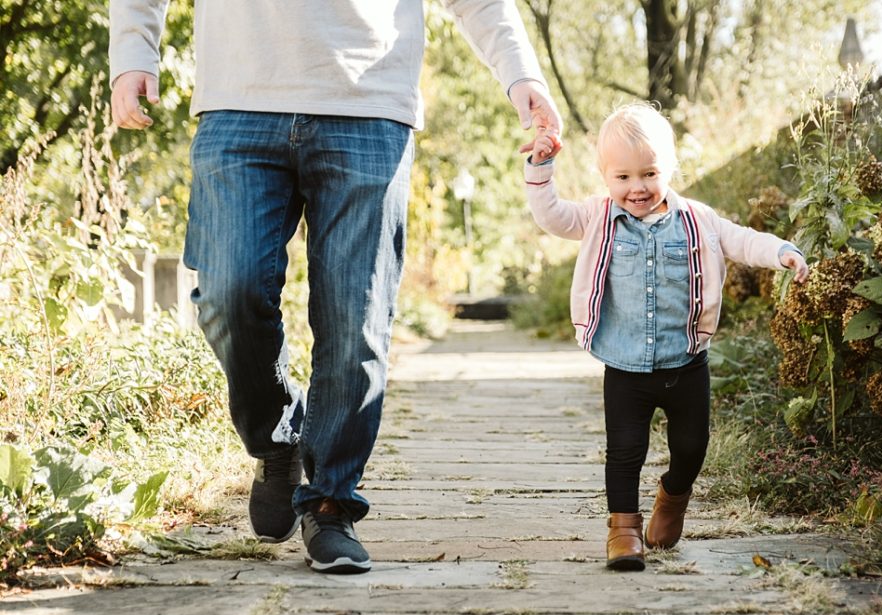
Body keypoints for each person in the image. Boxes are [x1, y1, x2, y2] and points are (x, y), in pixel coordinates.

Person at [109, 0, 562, 576]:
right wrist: (131, 53)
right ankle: (279, 442)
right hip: (238, 98)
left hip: (368, 105)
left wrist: (520, 74)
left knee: (357, 319)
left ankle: (330, 503)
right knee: (229, 292)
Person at [524, 103, 809, 571]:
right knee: (624, 451)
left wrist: (781, 252)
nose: (636, 188)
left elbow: (742, 240)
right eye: (622, 177)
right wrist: (541, 166)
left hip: (686, 362)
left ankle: (673, 498)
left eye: (649, 173)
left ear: (670, 169)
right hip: (625, 365)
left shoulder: (698, 219)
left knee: (692, 446)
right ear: (604, 176)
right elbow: (551, 215)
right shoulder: (596, 219)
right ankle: (623, 530)